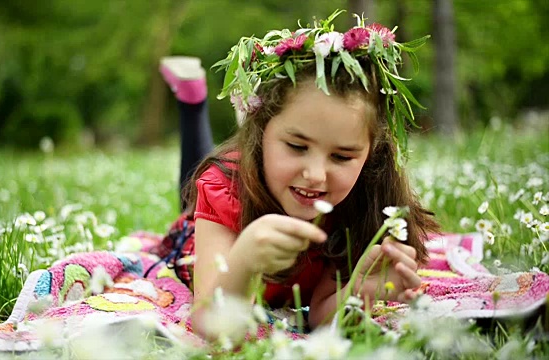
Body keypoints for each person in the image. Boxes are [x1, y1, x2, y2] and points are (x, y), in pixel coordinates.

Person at [155, 10, 440, 337]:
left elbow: (320, 316)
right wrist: (244, 260)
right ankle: (192, 103)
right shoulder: (224, 188)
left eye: (342, 156)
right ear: (261, 133)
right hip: (203, 230)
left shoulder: (362, 203)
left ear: (370, 156)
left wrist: (360, 291)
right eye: (297, 146)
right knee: (195, 187)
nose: (316, 175)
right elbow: (209, 323)